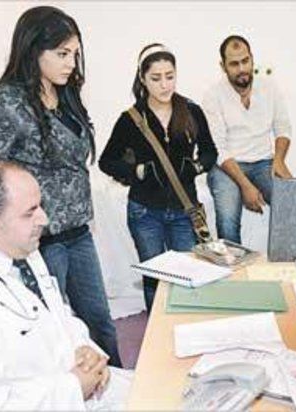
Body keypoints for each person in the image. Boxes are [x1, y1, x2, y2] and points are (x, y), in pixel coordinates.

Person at [0, 160, 131, 410]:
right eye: (30, 212)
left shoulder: (16, 246)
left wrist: (83, 348)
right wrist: (72, 389)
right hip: (61, 398)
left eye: (40, 206)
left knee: (164, 387)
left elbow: (56, 314)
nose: (44, 219)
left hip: (71, 388)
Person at [0, 6, 121, 366]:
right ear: (33, 49)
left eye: (74, 54)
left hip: (78, 232)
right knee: (51, 333)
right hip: (38, 240)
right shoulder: (4, 101)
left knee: (100, 323)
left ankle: (121, 388)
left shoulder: (65, 95)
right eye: (62, 54)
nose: (71, 63)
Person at [99, 43, 217, 312]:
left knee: (186, 276)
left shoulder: (192, 111)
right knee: (155, 278)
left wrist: (196, 167)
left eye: (170, 76)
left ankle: (182, 328)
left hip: (184, 209)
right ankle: (157, 330)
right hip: (145, 212)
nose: (164, 85)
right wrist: (137, 171)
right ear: (142, 79)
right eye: (156, 78)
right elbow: (107, 161)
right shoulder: (131, 118)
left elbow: (210, 151)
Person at [202, 35, 292, 244]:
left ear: (252, 59)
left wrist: (279, 160)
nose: (242, 68)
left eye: (245, 61)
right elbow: (219, 149)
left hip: (264, 162)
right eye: (234, 64)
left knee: (292, 206)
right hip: (226, 167)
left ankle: (286, 260)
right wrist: (246, 186)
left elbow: (283, 128)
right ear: (223, 66)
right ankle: (233, 264)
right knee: (227, 219)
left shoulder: (269, 87)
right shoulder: (213, 96)